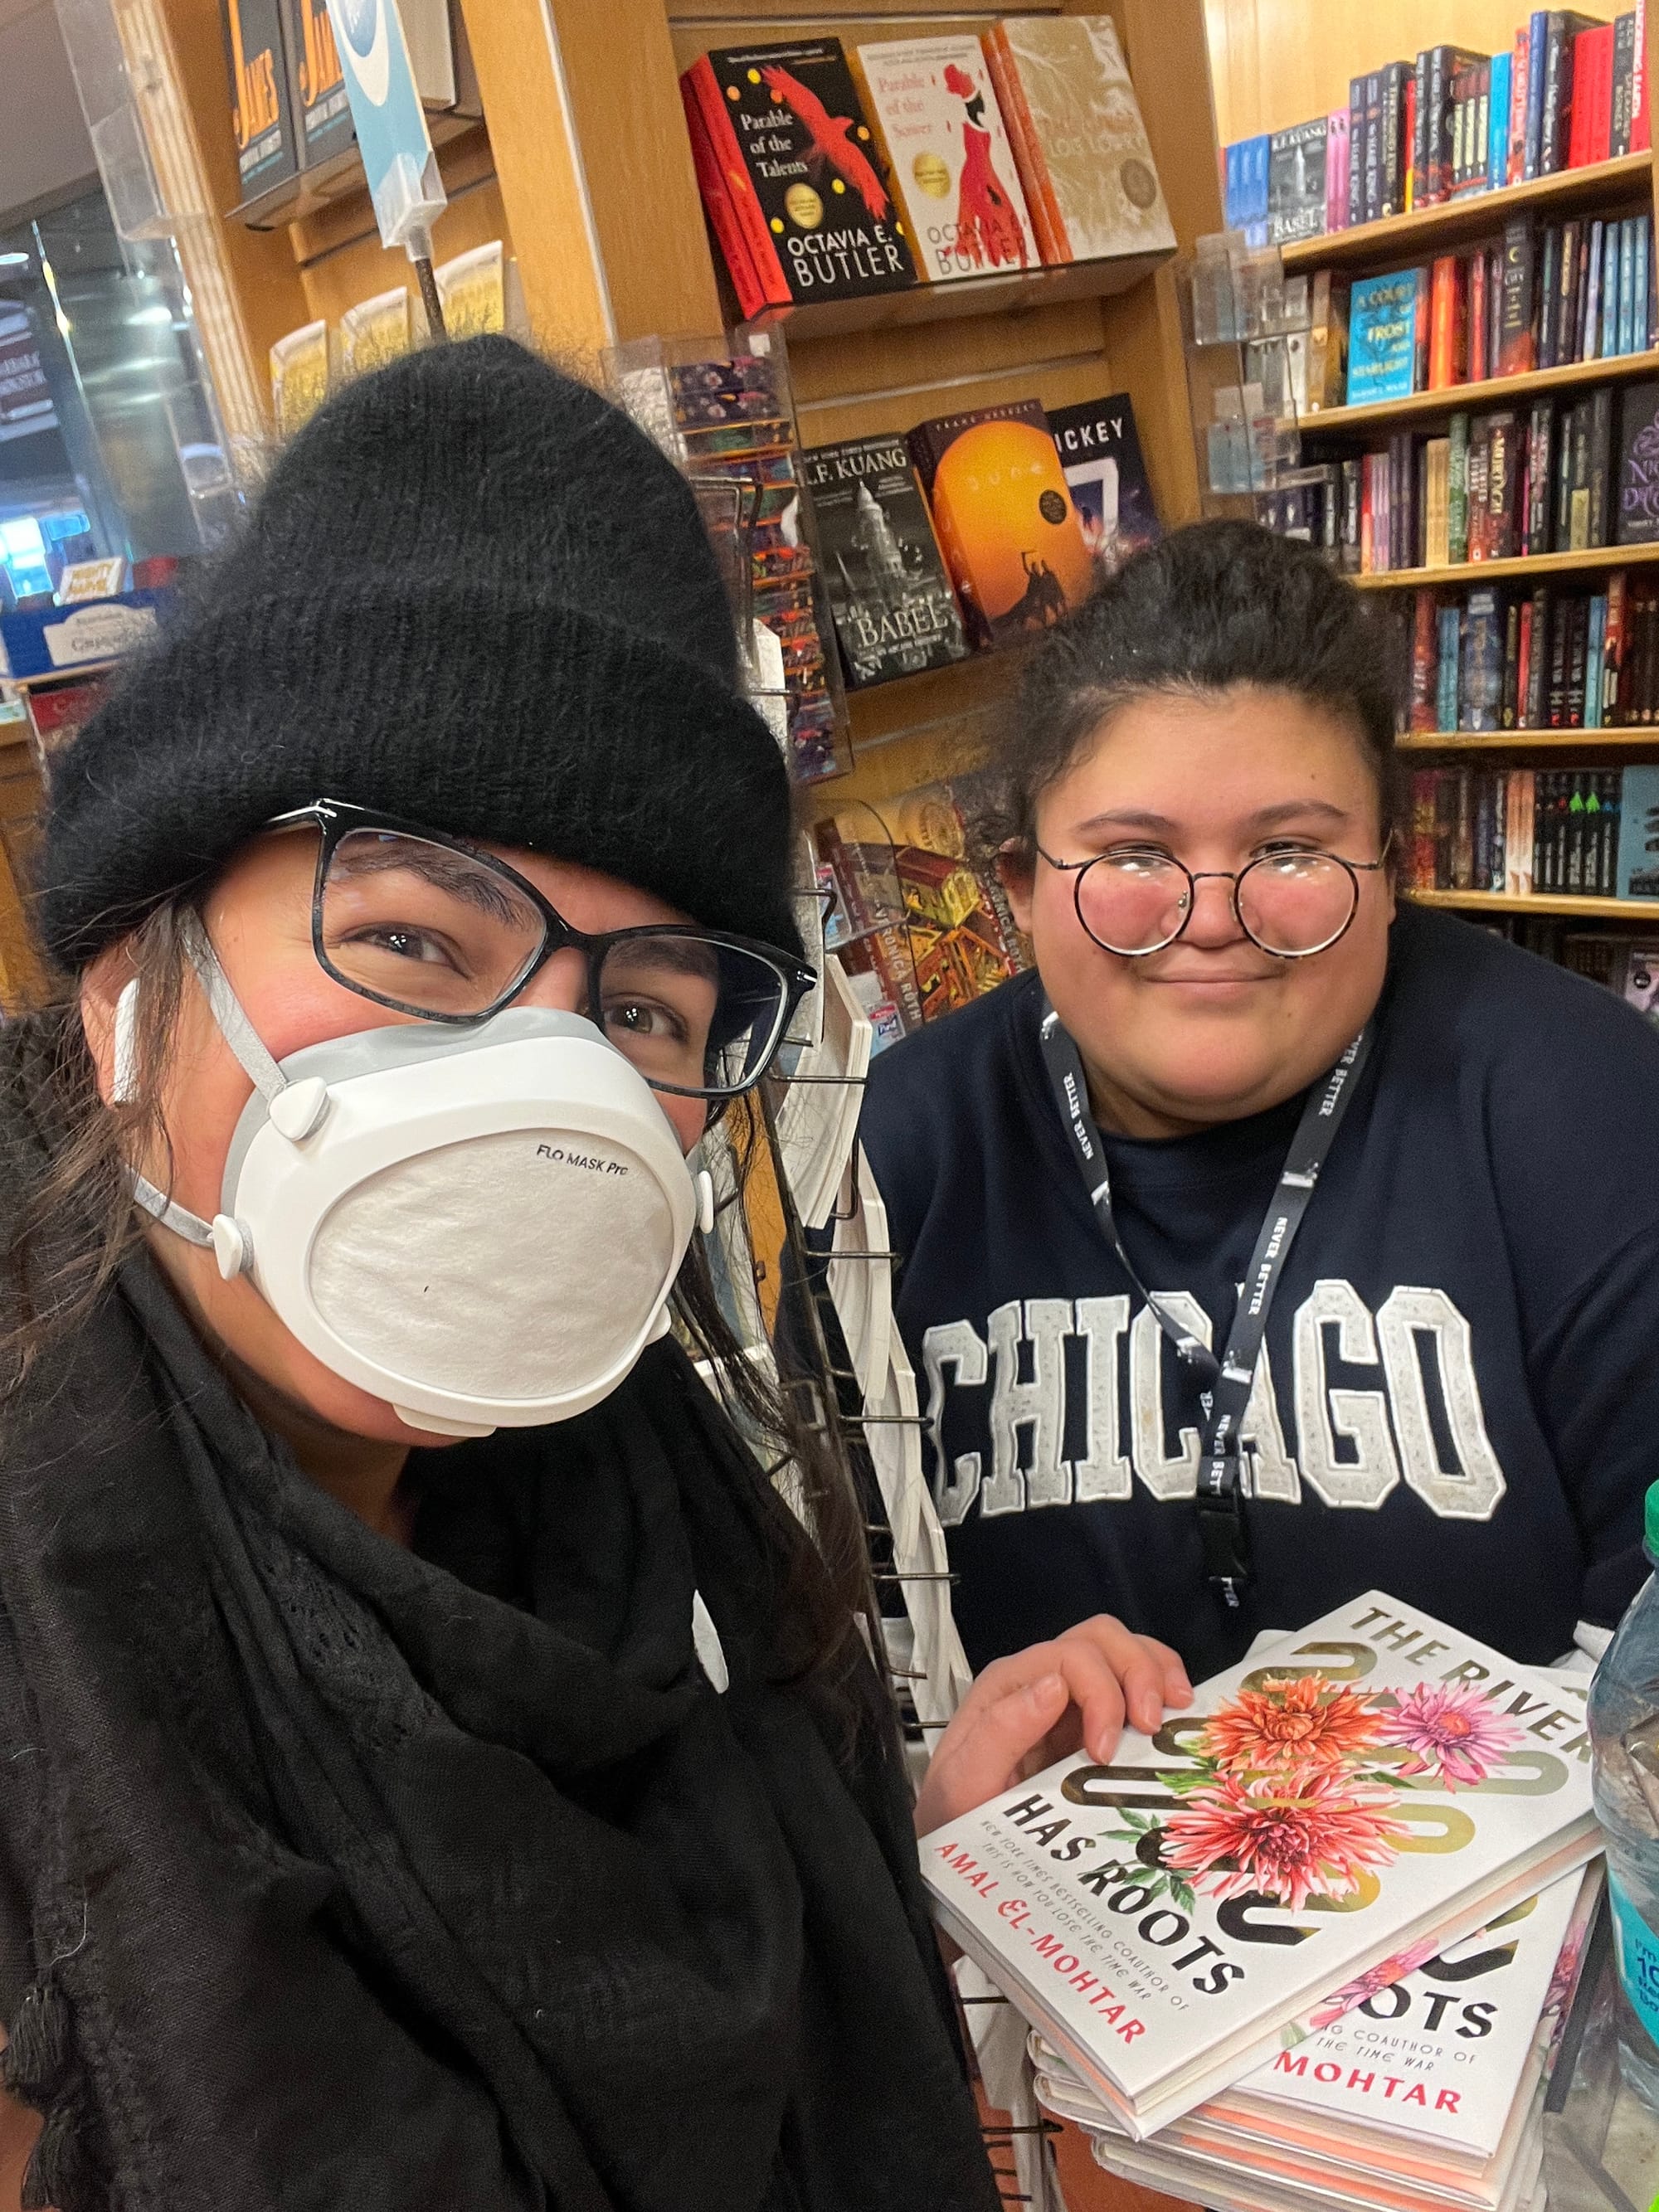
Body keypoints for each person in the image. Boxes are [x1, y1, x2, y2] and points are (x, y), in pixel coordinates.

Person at [0, 339, 1188, 2212]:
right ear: (128, 988)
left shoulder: (619, 1514)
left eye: (638, 1004)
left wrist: (909, 1850)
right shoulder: (48, 1722)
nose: (541, 1083)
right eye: (405, 933)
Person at [860, 519, 1659, 1686]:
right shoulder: (899, 1153)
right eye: (1133, 856)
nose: (1214, 916)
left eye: (1289, 850)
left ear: (1390, 870)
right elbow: (849, 1659)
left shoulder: (1588, 1110)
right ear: (1022, 888)